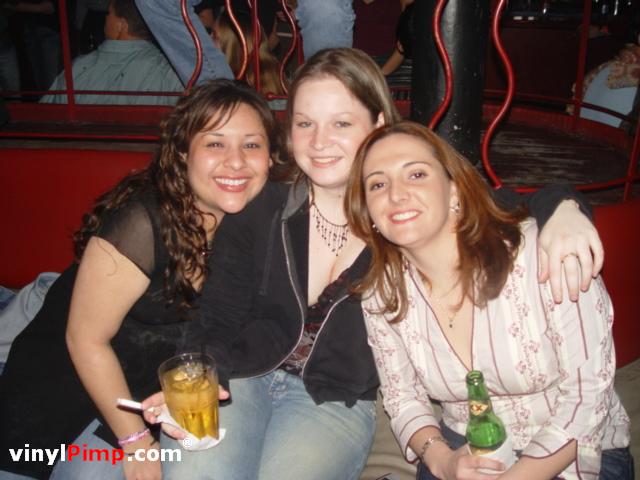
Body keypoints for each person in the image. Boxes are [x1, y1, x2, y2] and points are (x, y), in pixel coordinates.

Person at [141, 48, 604, 480]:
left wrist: (564, 207)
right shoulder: (265, 205)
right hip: (242, 378)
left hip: (334, 401)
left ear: (379, 122)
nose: (319, 142)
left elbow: (498, 204)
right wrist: (200, 377)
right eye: (305, 124)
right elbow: (216, 318)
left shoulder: (404, 213)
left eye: (341, 123)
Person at [0, 79, 282, 480]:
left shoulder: (257, 226)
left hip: (147, 396)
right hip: (66, 385)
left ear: (271, 157)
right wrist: (135, 443)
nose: (236, 162)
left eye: (252, 145)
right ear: (183, 152)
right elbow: (85, 340)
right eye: (215, 144)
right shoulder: (143, 222)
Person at [346, 121, 633, 480]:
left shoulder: (542, 254)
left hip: (575, 454)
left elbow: (587, 398)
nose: (396, 194)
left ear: (454, 192)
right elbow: (403, 398)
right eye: (377, 184)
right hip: (466, 449)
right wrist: (443, 461)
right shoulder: (382, 293)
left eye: (416, 174)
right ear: (369, 212)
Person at [41, 0, 183, 105]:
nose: (105, 18)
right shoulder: (170, 72)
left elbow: (45, 111)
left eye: (109, 13)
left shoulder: (79, 69)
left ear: (121, 25)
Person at [212, 10, 285, 96]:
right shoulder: (272, 75)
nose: (208, 40)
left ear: (234, 48)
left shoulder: (239, 90)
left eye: (215, 37)